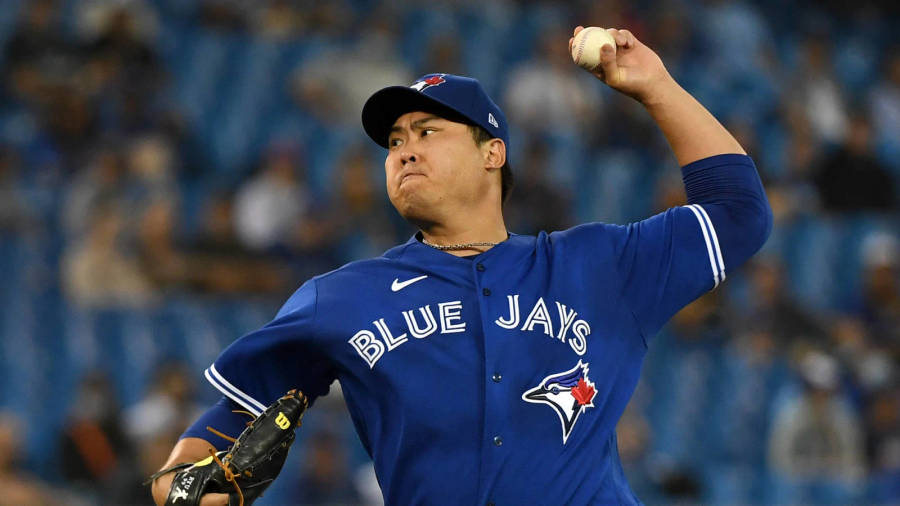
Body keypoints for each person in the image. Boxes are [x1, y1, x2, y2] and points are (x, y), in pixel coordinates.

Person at [151, 26, 772, 505]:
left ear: (493, 152)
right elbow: (230, 420)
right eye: (394, 142)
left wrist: (656, 87)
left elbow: (739, 211)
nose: (404, 152)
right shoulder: (342, 298)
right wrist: (178, 481)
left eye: (427, 132)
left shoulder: (598, 266)